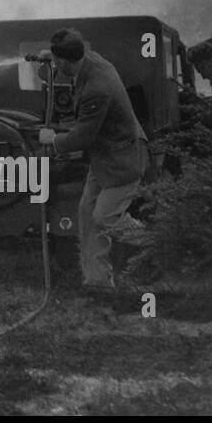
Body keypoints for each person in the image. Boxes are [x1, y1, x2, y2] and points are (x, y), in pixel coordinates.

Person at [37, 28, 148, 297]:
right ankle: (98, 282)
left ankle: (159, 241)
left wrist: (52, 139)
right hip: (106, 157)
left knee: (105, 217)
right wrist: (49, 56)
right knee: (87, 216)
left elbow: (82, 138)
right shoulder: (91, 59)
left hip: (123, 160)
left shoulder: (96, 89)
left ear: (64, 61)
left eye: (56, 60)